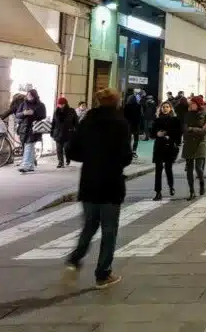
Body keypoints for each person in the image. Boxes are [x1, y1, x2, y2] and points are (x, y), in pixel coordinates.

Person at [64, 88, 132, 289]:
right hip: (111, 182)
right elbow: (126, 155)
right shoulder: (120, 123)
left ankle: (75, 259)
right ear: (116, 102)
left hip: (90, 180)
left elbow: (71, 150)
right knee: (109, 230)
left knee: (89, 225)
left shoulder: (87, 121)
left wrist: (91, 158)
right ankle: (103, 274)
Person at [150, 101, 182, 200]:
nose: (165, 108)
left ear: (171, 108)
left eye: (167, 107)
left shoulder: (175, 120)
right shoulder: (157, 120)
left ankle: (171, 186)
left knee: (168, 168)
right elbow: (151, 133)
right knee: (158, 170)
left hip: (170, 147)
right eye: (163, 107)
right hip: (159, 147)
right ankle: (158, 192)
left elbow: (178, 133)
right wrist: (157, 134)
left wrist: (168, 135)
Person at [183, 96, 206, 200]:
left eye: (192, 103)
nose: (190, 105)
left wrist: (192, 129)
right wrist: (198, 129)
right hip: (189, 144)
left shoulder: (205, 115)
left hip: (200, 144)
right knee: (189, 169)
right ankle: (191, 191)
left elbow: (205, 132)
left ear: (197, 104)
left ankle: (202, 183)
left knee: (198, 168)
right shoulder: (187, 115)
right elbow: (185, 129)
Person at [15, 89, 47, 173]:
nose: (28, 97)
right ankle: (31, 166)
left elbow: (43, 115)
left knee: (28, 145)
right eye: (27, 95)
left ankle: (25, 165)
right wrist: (24, 113)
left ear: (34, 96)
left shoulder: (40, 105)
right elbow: (17, 115)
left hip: (34, 128)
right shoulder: (23, 104)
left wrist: (34, 113)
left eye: (30, 95)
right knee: (29, 146)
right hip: (23, 128)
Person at [52, 97, 78, 168]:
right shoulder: (56, 111)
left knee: (67, 148)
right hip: (58, 133)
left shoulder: (71, 111)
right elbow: (53, 122)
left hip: (68, 132)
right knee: (59, 148)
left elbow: (76, 121)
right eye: (59, 104)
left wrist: (77, 131)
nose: (60, 105)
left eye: (61, 104)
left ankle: (68, 159)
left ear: (65, 104)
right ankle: (60, 162)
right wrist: (52, 132)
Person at [123, 90, 142, 159]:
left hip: (128, 124)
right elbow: (140, 116)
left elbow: (124, 116)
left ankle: (128, 151)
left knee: (128, 138)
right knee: (136, 139)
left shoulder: (126, 106)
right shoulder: (138, 106)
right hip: (136, 124)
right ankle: (134, 152)